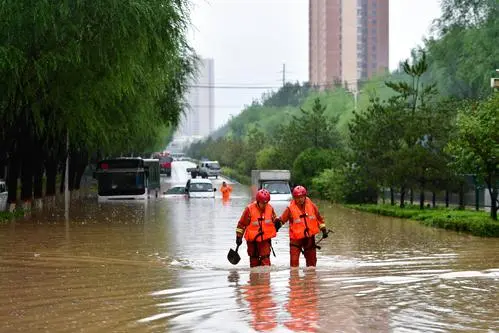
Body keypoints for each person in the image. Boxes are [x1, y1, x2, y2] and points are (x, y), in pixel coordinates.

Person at [276, 185, 328, 268]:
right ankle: (294, 279)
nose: (300, 199)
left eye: (302, 197)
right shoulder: (290, 209)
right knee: (294, 263)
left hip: (309, 238)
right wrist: (275, 228)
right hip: (295, 239)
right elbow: (282, 220)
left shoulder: (312, 206)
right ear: (294, 198)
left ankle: (310, 279)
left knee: (312, 264)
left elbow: (319, 219)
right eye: (297, 197)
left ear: (305, 196)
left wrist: (324, 230)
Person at [235, 189, 280, 267]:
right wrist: (239, 237)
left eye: (266, 203)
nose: (265, 205)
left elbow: (274, 219)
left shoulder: (270, 208)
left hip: (265, 240)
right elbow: (241, 224)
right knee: (254, 263)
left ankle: (265, 279)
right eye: (263, 203)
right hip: (252, 241)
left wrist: (277, 223)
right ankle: (254, 278)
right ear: (258, 201)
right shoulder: (249, 209)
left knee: (266, 262)